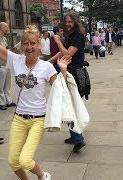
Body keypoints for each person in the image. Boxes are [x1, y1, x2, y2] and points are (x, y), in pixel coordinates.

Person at [0, 3, 72, 180]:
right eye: (26, 43)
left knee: (25, 160)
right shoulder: (15, 60)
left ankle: (43, 176)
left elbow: (60, 89)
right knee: (13, 161)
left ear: (39, 45)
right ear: (21, 45)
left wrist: (62, 69)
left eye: (33, 43)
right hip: (18, 118)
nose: (29, 47)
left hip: (37, 120)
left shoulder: (46, 67)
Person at [49, 11, 90, 153]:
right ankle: (74, 136)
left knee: (70, 105)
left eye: (70, 22)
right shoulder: (69, 36)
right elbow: (61, 53)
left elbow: (67, 54)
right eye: (66, 21)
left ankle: (78, 138)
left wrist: (58, 41)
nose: (67, 24)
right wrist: (47, 63)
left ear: (76, 22)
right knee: (68, 103)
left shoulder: (78, 36)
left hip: (75, 74)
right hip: (67, 72)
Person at [0, 22, 16, 110]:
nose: (8, 28)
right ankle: (2, 103)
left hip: (6, 63)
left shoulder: (4, 39)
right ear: (1, 28)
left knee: (7, 84)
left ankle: (8, 101)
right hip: (0, 64)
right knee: (1, 85)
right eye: (6, 27)